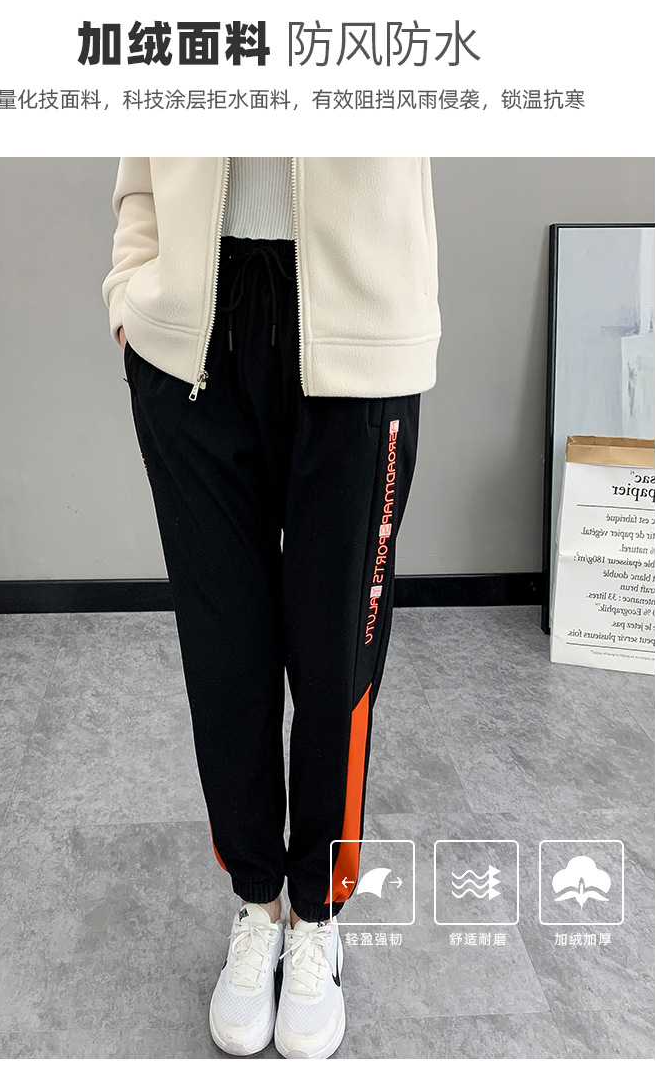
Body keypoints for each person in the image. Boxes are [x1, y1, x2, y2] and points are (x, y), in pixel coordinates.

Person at [103, 157, 441, 1059]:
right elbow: (141, 147)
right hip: (190, 332)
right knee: (227, 658)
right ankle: (256, 902)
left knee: (336, 666)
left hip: (358, 327)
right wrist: (131, 295)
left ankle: (316, 915)